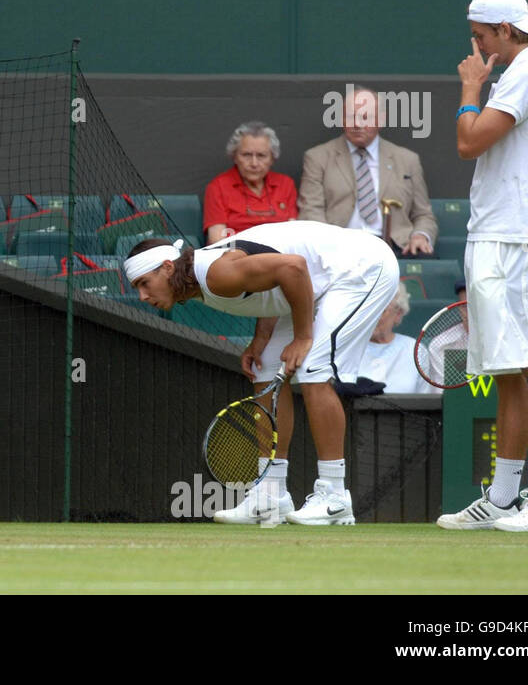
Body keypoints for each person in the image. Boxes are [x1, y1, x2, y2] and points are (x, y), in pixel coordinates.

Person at [124, 220, 400, 525]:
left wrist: (303, 337)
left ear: (166, 268)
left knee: (313, 366)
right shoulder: (201, 277)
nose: (142, 297)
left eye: (143, 284)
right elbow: (270, 287)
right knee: (266, 367)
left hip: (361, 267)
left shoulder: (216, 274)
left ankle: (335, 497)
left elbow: (293, 268)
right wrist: (261, 339)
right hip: (319, 280)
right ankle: (271, 496)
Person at [437, 0, 528, 532]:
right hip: (498, 234)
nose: (476, 47)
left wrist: (471, 88)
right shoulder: (523, 74)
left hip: (516, 238)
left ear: (508, 32)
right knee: (512, 372)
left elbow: (469, 141)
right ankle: (503, 496)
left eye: (481, 36)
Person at [300, 86, 438, 257]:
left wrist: (420, 235)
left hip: (395, 247)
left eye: (365, 117)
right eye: (351, 117)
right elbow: (311, 211)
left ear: (381, 119)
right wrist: (328, 244)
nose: (357, 124)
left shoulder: (407, 160)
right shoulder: (318, 158)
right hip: (338, 247)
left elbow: (423, 214)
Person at [202, 121, 298, 244]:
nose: (254, 163)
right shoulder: (218, 187)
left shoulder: (285, 184)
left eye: (261, 156)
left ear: (272, 158)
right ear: (234, 156)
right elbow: (217, 241)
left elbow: (294, 235)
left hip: (281, 254)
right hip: (237, 256)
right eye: (246, 155)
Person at [357, 287, 437, 394]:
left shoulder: (415, 351)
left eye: (381, 310)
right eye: (368, 309)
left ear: (398, 314)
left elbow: (427, 401)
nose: (371, 316)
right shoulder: (347, 349)